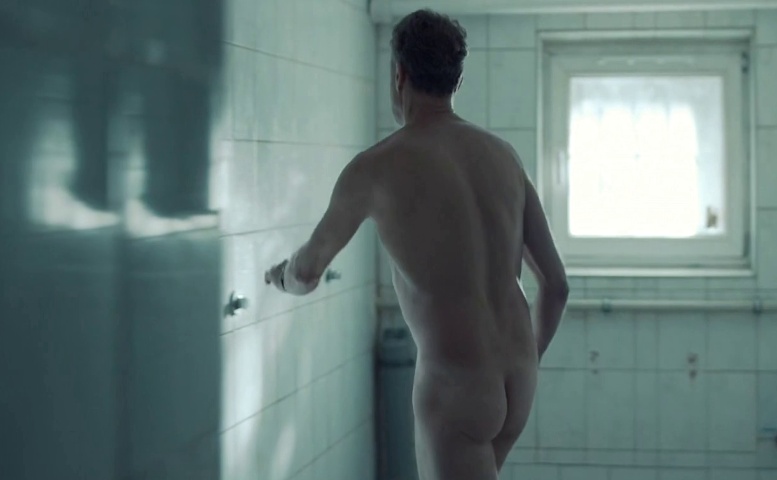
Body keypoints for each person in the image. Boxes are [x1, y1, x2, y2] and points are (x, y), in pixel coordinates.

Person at [265, 9, 569, 480]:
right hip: (519, 373)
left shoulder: (375, 168)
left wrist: (280, 275)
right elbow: (556, 286)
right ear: (457, 80)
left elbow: (306, 273)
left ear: (399, 74)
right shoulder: (503, 157)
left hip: (457, 386)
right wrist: (529, 357)